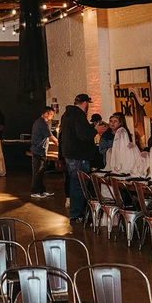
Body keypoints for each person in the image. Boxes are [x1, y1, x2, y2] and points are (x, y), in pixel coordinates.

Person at [59, 94, 96, 224]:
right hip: (79, 155)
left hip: (69, 154)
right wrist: (95, 130)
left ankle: (75, 213)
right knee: (80, 185)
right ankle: (78, 214)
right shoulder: (79, 115)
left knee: (74, 183)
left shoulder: (66, 115)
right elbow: (83, 136)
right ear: (85, 103)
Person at [30, 107, 56, 198]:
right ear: (46, 113)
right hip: (39, 151)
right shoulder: (42, 123)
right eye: (51, 114)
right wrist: (59, 143)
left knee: (40, 172)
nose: (52, 117)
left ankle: (42, 190)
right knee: (38, 172)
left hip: (39, 150)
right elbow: (51, 137)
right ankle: (34, 192)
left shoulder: (38, 122)